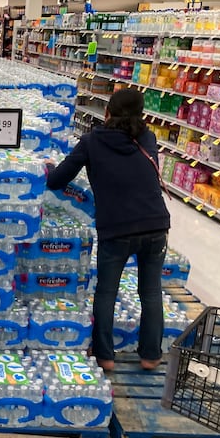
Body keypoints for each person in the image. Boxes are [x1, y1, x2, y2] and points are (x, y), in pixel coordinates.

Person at [45, 88, 171, 372]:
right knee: (151, 292)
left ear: (107, 112)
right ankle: (151, 355)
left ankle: (105, 356)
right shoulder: (147, 138)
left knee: (107, 292)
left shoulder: (91, 141)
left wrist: (50, 167)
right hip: (156, 225)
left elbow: (56, 181)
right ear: (141, 115)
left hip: (116, 229)